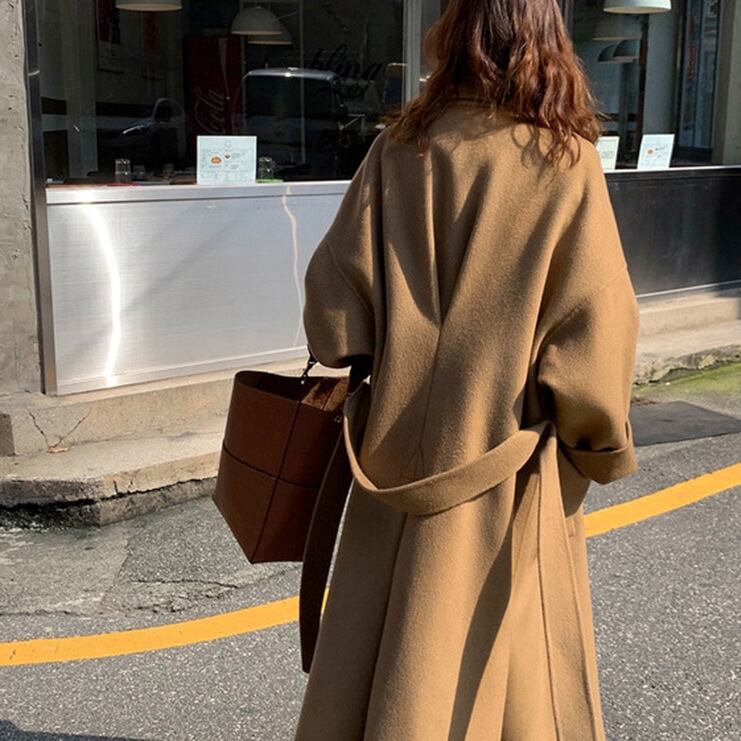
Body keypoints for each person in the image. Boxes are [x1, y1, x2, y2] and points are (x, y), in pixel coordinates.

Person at [296, 0, 639, 739]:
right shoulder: (564, 161)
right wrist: (598, 452)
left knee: (378, 664)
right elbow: (593, 354)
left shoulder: (398, 149)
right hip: (502, 469)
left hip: (389, 464)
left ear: (453, 37)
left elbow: (332, 317)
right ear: (545, 39)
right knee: (498, 681)